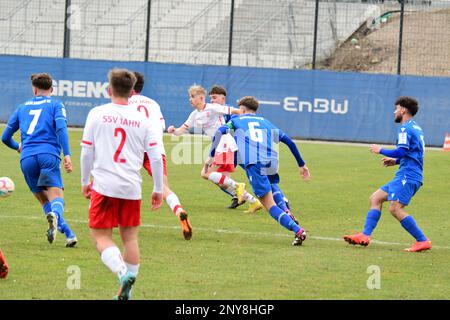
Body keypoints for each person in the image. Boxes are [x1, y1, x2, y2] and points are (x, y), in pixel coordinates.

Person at [80, 69, 164, 300]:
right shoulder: (143, 119)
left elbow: (87, 151)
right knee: (130, 239)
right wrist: (158, 188)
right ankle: (127, 292)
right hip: (131, 187)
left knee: (101, 237)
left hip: (104, 186)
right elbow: (156, 157)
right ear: (132, 91)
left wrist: (85, 181)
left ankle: (121, 273)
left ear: (109, 89)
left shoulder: (97, 113)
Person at [208, 96, 311, 246]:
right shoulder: (266, 122)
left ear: (242, 110)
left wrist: (211, 156)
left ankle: (298, 230)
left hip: (255, 164)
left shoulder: (236, 120)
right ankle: (286, 210)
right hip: (271, 161)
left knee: (269, 205)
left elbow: (220, 132)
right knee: (272, 186)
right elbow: (289, 141)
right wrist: (302, 164)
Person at [343, 96, 432, 252]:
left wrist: (381, 150)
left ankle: (422, 240)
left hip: (408, 176)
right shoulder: (416, 128)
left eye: (397, 108)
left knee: (395, 208)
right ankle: (365, 235)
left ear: (403, 110)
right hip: (407, 173)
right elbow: (414, 154)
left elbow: (402, 151)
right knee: (376, 198)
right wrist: (396, 161)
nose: (394, 112)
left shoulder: (405, 128)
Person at [1, 73, 77, 247]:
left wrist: (18, 147)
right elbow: (61, 128)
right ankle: (56, 218)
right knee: (56, 195)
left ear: (34, 89)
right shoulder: (56, 104)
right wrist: (67, 154)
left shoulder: (22, 107)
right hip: (48, 155)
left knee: (44, 200)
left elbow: (5, 137)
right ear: (51, 89)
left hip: (27, 158)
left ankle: (69, 234)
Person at [167, 85, 263, 213]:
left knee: (205, 173)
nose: (190, 99)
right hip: (219, 146)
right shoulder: (194, 115)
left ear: (201, 98)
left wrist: (249, 122)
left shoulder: (213, 108)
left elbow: (236, 111)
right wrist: (174, 131)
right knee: (224, 182)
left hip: (225, 144)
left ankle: (239, 186)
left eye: (192, 97)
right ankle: (254, 202)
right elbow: (181, 130)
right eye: (189, 97)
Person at [129, 71, 192, 240]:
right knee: (163, 186)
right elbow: (162, 125)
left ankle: (115, 218)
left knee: (120, 180)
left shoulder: (124, 102)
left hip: (132, 147)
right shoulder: (153, 103)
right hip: (155, 147)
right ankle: (179, 210)